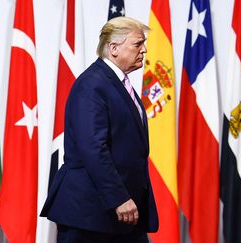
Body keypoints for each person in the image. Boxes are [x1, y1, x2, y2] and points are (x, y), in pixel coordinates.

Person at [40, 16, 158, 243]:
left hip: (120, 215)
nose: (143, 51)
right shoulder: (92, 84)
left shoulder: (116, 83)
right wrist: (118, 198)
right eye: (137, 44)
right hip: (92, 214)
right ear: (113, 48)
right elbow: (93, 148)